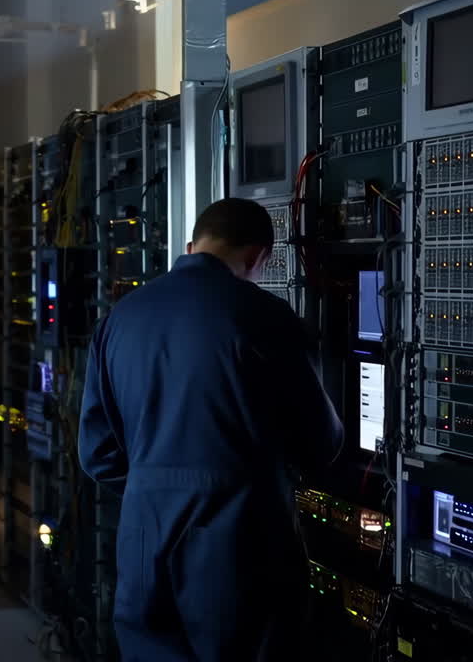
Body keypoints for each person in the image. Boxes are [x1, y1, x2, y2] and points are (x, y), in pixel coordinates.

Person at [79, 197, 344, 661]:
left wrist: (157, 486)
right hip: (236, 539)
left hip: (143, 536)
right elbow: (321, 440)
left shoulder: (120, 318)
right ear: (258, 256)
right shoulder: (263, 316)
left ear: (191, 246)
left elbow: (97, 453)